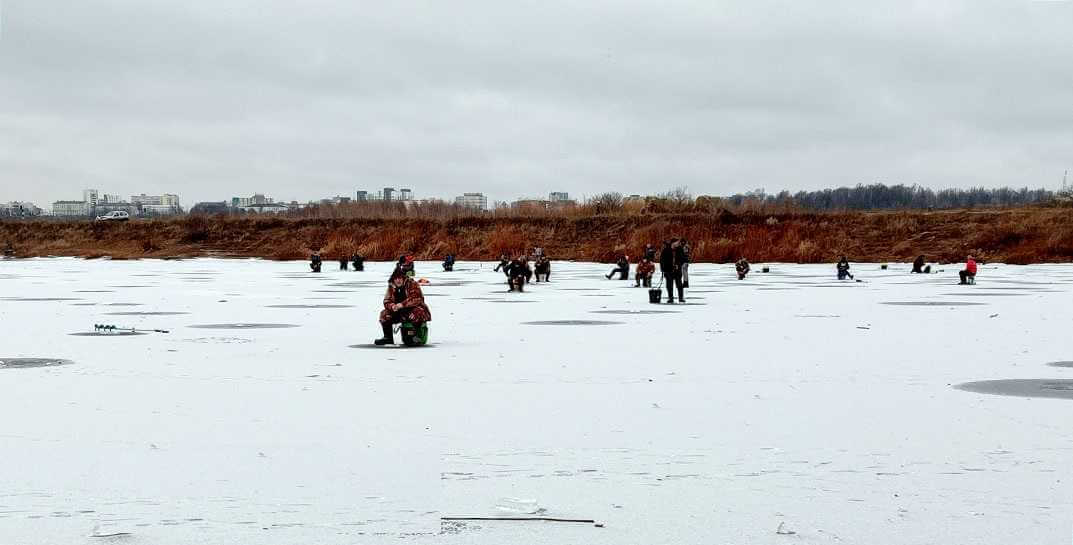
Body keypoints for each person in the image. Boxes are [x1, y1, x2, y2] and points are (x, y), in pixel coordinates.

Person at [374, 268, 432, 345]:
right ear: (393, 279)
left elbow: (417, 298)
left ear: (403, 278)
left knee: (416, 313)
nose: (398, 280)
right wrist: (392, 306)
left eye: (400, 278)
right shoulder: (391, 287)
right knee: (384, 314)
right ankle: (388, 338)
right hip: (399, 311)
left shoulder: (412, 284)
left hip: (415, 309)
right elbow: (387, 300)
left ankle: (416, 336)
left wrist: (402, 304)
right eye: (396, 278)